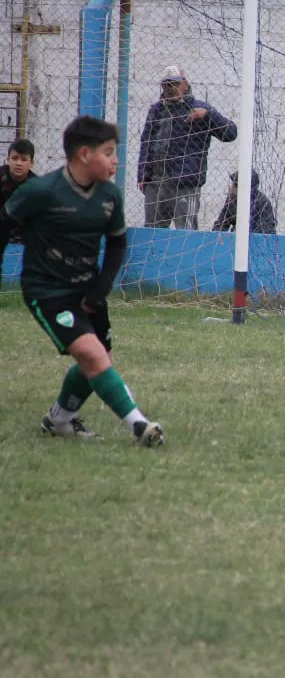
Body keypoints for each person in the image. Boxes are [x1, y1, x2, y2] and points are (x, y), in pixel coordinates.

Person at [0, 115, 164, 447]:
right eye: (108, 152)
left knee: (99, 361)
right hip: (47, 291)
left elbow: (117, 243)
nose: (116, 160)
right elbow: (4, 224)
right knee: (92, 353)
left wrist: (101, 287)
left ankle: (58, 419)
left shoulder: (110, 196)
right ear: (84, 154)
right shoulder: (41, 191)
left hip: (87, 290)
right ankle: (139, 425)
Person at [137, 65, 237, 230]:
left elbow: (231, 133)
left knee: (186, 232)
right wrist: (142, 175)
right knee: (152, 233)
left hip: (184, 185)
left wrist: (208, 116)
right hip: (155, 183)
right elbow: (146, 142)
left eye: (175, 84)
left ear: (185, 84)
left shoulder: (200, 109)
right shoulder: (156, 110)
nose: (171, 89)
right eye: (167, 85)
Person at [212, 168, 278, 234]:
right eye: (233, 184)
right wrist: (218, 236)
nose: (231, 188)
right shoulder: (232, 199)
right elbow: (221, 224)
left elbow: (266, 230)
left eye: (236, 185)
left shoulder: (262, 202)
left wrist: (241, 232)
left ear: (247, 189)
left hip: (257, 240)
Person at [0, 138, 38, 244]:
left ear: (31, 163)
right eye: (15, 158)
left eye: (24, 159)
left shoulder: (36, 185)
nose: (18, 163)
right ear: (8, 160)